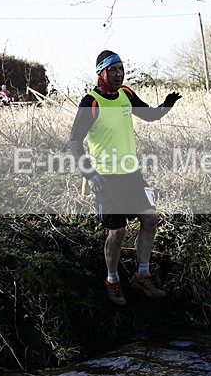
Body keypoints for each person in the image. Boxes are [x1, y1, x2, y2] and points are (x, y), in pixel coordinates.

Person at [68, 50, 182, 306]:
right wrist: (90, 173)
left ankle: (142, 275)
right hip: (105, 177)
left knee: (150, 219)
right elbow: (74, 141)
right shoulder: (92, 102)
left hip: (131, 174)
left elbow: (149, 115)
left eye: (121, 69)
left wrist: (166, 105)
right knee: (117, 232)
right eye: (113, 70)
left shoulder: (126, 95)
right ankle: (112, 279)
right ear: (102, 73)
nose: (119, 74)